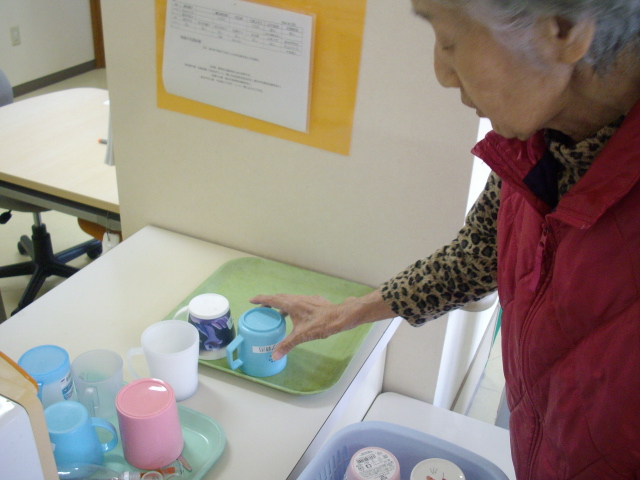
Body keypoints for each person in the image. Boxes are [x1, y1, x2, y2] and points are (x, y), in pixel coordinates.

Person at [252, 0, 640, 478]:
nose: (442, 72)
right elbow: (476, 256)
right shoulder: (540, 139)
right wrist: (347, 312)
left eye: (451, 41)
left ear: (563, 30)